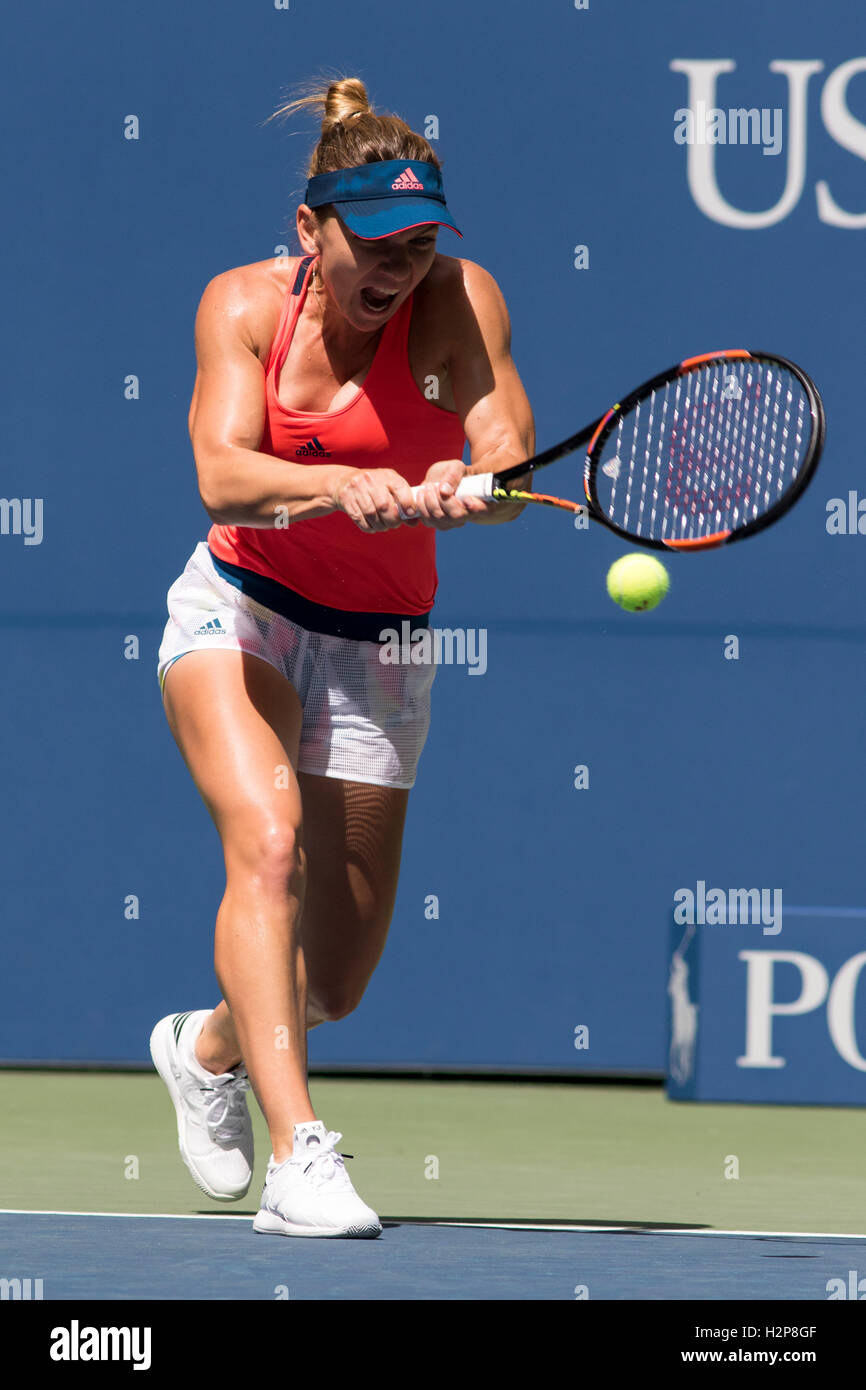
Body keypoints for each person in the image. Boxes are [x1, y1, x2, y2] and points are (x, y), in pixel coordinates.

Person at [149, 76, 535, 1239]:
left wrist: (477, 491)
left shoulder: (460, 299)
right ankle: (299, 1157)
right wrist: (336, 483)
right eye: (373, 243)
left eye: (418, 244)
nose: (398, 268)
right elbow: (223, 474)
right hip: (242, 609)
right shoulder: (244, 306)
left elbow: (506, 447)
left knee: (337, 978)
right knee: (266, 846)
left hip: (380, 646)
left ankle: (207, 1045)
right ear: (309, 229)